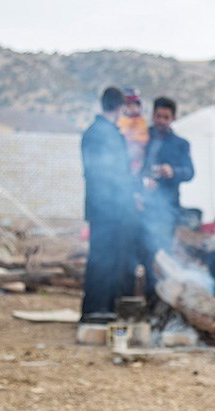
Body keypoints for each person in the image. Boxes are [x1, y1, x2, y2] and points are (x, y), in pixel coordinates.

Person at [79, 86, 140, 321]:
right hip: (109, 210)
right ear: (120, 106)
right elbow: (112, 176)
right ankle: (97, 310)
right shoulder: (104, 134)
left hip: (106, 209)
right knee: (103, 260)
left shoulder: (96, 132)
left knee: (106, 259)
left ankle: (101, 309)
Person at [138, 96, 194, 301]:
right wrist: (141, 181)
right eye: (158, 116)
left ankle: (159, 301)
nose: (161, 121)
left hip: (166, 209)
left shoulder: (180, 144)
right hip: (140, 205)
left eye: (166, 117)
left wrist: (173, 171)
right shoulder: (142, 138)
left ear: (173, 118)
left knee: (162, 254)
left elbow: (189, 172)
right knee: (141, 254)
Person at [117, 87, 149, 176]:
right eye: (128, 105)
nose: (132, 108)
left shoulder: (141, 122)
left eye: (134, 104)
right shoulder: (120, 121)